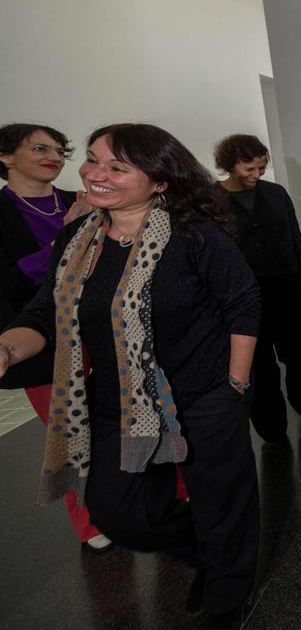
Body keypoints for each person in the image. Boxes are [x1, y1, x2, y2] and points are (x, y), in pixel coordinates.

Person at [0, 124, 260, 628]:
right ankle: (206, 551)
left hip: (205, 392)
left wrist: (236, 384)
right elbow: (45, 313)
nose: (95, 175)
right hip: (119, 398)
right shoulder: (78, 237)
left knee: (220, 501)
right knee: (117, 512)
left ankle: (228, 594)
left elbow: (243, 303)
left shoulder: (194, 235)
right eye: (94, 160)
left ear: (160, 181)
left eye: (117, 167)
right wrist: (8, 348)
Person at [0, 123, 112, 552]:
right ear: (6, 157)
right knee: (69, 432)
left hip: (100, 329)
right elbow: (8, 283)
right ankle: (90, 521)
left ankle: (148, 498)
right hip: (42, 339)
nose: (54, 156)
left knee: (124, 420)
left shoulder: (78, 200)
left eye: (59, 149)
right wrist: (61, 240)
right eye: (40, 148)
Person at [216, 134, 301, 438]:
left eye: (261, 168)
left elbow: (296, 240)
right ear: (229, 164)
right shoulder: (212, 201)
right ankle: (272, 430)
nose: (257, 175)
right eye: (249, 168)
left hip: (287, 287)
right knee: (259, 364)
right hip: (242, 297)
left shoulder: (276, 194)